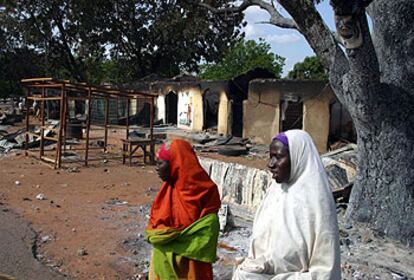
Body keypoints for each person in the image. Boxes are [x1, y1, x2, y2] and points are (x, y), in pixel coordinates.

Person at [232, 130, 341, 280]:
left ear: (297, 158)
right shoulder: (275, 194)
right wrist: (257, 266)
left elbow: (325, 273)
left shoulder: (317, 206)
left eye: (278, 157)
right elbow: (265, 249)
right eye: (270, 157)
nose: (270, 164)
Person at [145, 139, 221, 280]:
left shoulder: (206, 192)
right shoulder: (167, 191)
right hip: (165, 262)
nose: (157, 168)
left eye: (160, 163)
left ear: (176, 164)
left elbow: (209, 227)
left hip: (193, 264)